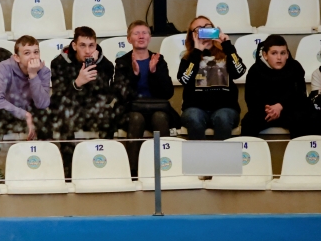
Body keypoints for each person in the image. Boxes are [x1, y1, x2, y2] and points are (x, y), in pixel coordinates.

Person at [112, 20, 179, 174]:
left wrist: (153, 72)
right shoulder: (123, 62)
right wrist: (134, 75)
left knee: (160, 117)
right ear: (129, 39)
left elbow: (167, 93)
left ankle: (166, 169)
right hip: (131, 110)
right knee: (136, 118)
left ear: (150, 37)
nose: (141, 36)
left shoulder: (159, 60)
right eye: (136, 33)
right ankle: (133, 172)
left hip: (156, 109)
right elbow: (120, 94)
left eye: (145, 33)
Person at [49, 26, 119, 172]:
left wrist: (94, 67)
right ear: (74, 46)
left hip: (92, 111)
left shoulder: (105, 65)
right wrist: (77, 83)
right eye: (82, 45)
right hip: (69, 111)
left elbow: (106, 98)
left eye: (91, 45)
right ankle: (68, 170)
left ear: (96, 46)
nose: (87, 51)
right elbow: (58, 98)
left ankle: (104, 162)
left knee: (109, 114)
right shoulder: (59, 63)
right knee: (65, 115)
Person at [177, 16, 246, 140]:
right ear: (192, 36)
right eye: (199, 29)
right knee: (194, 117)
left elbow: (239, 72)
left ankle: (220, 154)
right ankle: (199, 154)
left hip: (226, 108)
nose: (204, 31)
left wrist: (227, 45)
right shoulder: (188, 58)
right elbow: (184, 79)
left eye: (207, 27)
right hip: (195, 108)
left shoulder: (226, 53)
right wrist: (197, 51)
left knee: (223, 118)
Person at [0, 35, 51, 152]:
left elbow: (43, 104)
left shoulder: (44, 71)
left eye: (36, 52)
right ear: (17, 57)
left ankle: (45, 159)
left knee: (46, 118)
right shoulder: (5, 67)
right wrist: (25, 115)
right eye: (27, 53)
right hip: (11, 114)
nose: (33, 57)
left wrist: (33, 75)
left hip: (34, 114)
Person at [241, 35, 312, 137]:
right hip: (264, 112)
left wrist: (280, 106)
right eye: (274, 53)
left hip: (289, 110)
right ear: (265, 55)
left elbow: (301, 96)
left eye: (282, 53)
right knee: (248, 122)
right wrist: (271, 110)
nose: (279, 58)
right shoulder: (255, 71)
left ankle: (299, 148)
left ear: (287, 54)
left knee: (303, 118)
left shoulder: (295, 68)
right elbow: (251, 100)